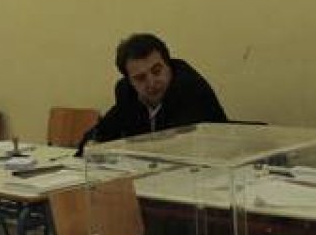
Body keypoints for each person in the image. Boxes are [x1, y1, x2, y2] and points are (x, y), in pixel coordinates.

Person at [81, 32, 227, 149]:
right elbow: (102, 132)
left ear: (168, 66)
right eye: (140, 78)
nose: (151, 82)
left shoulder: (189, 87)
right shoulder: (127, 93)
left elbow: (174, 146)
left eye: (157, 71)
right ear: (130, 82)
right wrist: (93, 143)